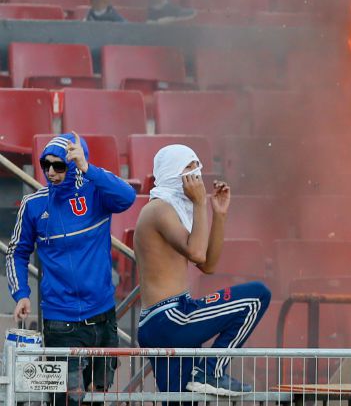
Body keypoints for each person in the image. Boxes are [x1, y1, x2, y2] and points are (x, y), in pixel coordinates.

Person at [6, 132, 137, 403]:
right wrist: (21, 293)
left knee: (100, 397)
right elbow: (17, 252)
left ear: (75, 164)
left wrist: (89, 170)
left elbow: (128, 197)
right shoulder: (33, 205)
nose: (51, 172)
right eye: (46, 165)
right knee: (67, 400)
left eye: (59, 165)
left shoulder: (96, 192)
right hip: (60, 322)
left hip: (103, 317)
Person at [133, 145, 270, 397]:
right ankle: (211, 371)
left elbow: (208, 265)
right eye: (188, 167)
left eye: (197, 166)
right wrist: (199, 203)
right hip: (168, 317)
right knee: (256, 297)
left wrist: (219, 215)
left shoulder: (175, 210)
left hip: (167, 322)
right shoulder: (157, 209)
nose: (196, 173)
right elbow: (196, 253)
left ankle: (205, 375)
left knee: (181, 400)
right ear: (171, 171)